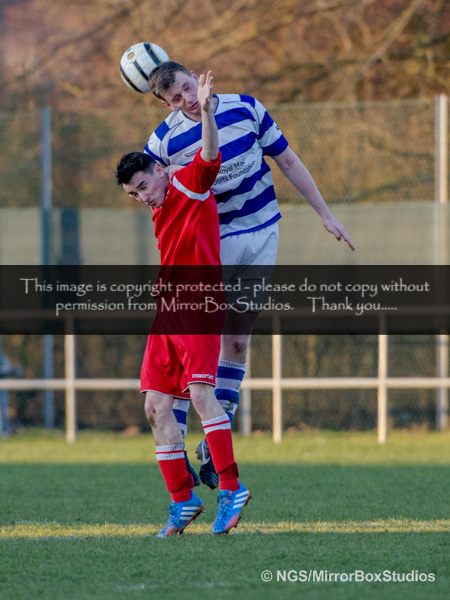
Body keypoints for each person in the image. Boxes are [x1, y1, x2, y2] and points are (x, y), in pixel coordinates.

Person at [144, 60, 356, 489]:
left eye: (187, 87)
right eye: (176, 98)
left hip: (262, 232)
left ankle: (213, 443)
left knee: (238, 340)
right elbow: (150, 189)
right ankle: (177, 444)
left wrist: (325, 213)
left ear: (195, 76)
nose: (187, 99)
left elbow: (288, 161)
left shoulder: (247, 108)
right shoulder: (162, 141)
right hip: (213, 243)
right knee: (193, 343)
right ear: (166, 104)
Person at [115, 71, 250, 536]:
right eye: (133, 194)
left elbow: (210, 154)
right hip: (168, 310)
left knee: (199, 394)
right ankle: (183, 501)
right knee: (155, 406)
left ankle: (231, 487)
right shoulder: (157, 204)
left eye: (143, 185)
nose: (142, 197)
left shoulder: (190, 183)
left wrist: (207, 112)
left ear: (160, 170)